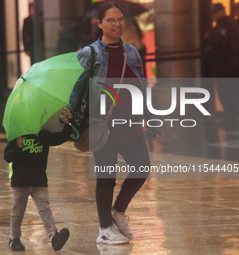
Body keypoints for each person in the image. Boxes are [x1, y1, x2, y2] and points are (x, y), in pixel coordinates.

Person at [62, 2, 162, 244]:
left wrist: (151, 117)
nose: (117, 23)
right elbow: (76, 87)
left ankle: (117, 211)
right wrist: (69, 110)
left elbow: (142, 86)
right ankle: (104, 228)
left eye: (120, 19)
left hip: (131, 121)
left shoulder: (133, 52)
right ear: (99, 24)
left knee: (141, 168)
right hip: (102, 123)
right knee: (106, 176)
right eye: (110, 20)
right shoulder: (90, 53)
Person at [4, 117, 76, 251]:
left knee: (45, 209)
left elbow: (59, 138)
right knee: (17, 211)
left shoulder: (43, 135)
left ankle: (54, 236)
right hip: (21, 181)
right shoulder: (17, 135)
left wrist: (67, 125)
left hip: (39, 180)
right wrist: (17, 147)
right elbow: (7, 156)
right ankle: (14, 238)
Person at [204, 3, 238, 127]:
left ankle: (231, 116)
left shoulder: (224, 25)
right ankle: (231, 116)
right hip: (230, 62)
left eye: (214, 13)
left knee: (226, 90)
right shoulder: (231, 23)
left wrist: (208, 39)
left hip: (226, 63)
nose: (213, 16)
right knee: (230, 89)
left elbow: (222, 43)